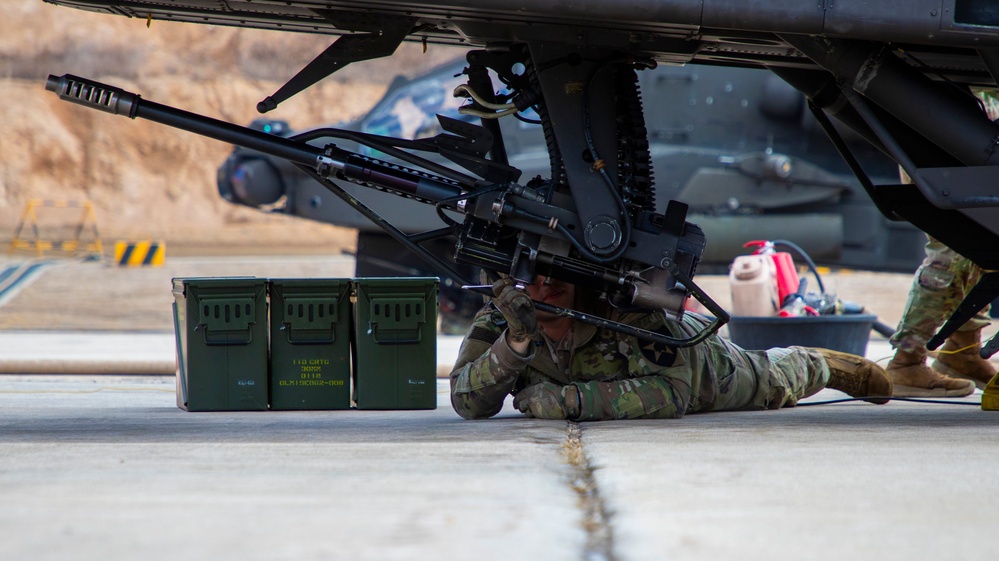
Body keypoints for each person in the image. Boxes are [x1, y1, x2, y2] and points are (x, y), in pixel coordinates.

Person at [449, 276, 892, 421]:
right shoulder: (502, 318)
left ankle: (820, 363)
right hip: (675, 369)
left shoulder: (620, 310)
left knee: (771, 381)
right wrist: (516, 344)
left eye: (557, 273)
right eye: (534, 275)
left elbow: (673, 392)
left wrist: (570, 400)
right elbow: (467, 401)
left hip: (704, 369)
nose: (547, 286)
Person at [885, 168, 998, 397]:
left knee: (981, 246)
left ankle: (962, 352)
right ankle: (906, 363)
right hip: (944, 154)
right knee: (953, 248)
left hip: (960, 152)